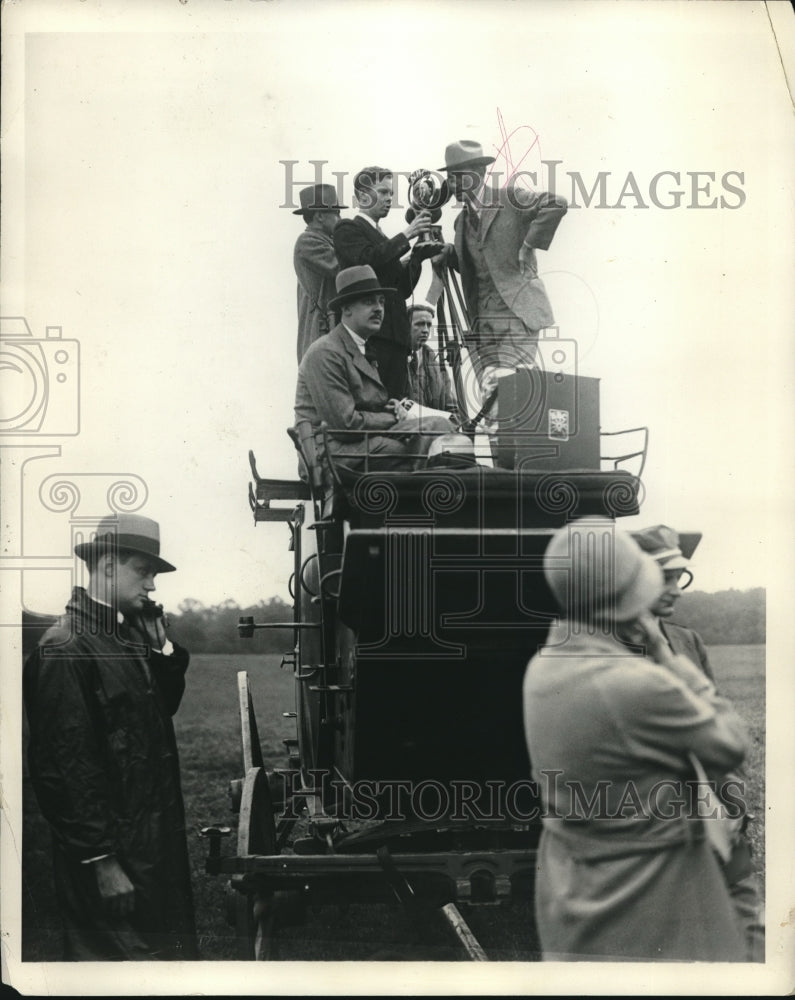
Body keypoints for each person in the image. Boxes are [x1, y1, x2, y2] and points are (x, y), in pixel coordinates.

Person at [523, 518, 749, 962]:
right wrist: (668, 658)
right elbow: (731, 744)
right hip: (653, 892)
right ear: (629, 592)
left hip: (578, 883)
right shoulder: (636, 682)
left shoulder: (544, 666)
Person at [23, 513, 197, 961]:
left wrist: (162, 651)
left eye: (153, 575)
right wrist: (99, 861)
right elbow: (64, 767)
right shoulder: (66, 648)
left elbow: (160, 711)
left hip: (150, 852)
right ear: (106, 566)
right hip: (112, 864)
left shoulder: (123, 638)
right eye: (144, 571)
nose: (153, 586)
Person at [633, 523, 764, 961]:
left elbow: (715, 725)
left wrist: (732, 801)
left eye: (679, 578)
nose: (677, 590)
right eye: (664, 577)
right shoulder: (600, 648)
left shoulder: (688, 641)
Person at [294, 265, 453, 476]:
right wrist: (395, 419)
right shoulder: (325, 352)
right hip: (331, 452)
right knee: (421, 450)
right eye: (369, 302)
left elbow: (369, 404)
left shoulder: (363, 349)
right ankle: (423, 499)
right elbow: (345, 424)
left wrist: (392, 407)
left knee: (442, 426)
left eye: (381, 302)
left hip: (362, 441)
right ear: (346, 309)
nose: (379, 309)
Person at [438, 139, 568, 392]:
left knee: (509, 385)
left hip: (517, 313)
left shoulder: (510, 198)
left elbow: (556, 203)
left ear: (479, 173)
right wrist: (448, 254)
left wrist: (529, 244)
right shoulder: (459, 223)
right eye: (450, 178)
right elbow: (476, 264)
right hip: (482, 320)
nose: (452, 185)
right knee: (490, 390)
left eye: (459, 177)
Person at [333, 165, 437, 399]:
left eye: (391, 193)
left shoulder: (383, 240)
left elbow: (402, 290)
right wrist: (407, 234)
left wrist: (418, 257)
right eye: (382, 192)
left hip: (396, 337)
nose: (389, 198)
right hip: (371, 337)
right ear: (362, 196)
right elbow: (366, 261)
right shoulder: (347, 229)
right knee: (373, 403)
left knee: (394, 405)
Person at [293, 183, 346, 363]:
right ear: (320, 216)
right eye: (336, 213)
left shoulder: (325, 241)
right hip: (320, 332)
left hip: (329, 331)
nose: (340, 218)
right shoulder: (307, 241)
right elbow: (340, 266)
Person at [406, 304, 456, 414]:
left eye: (428, 325)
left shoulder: (438, 369)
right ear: (405, 325)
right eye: (419, 324)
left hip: (435, 427)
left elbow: (452, 408)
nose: (425, 330)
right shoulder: (393, 362)